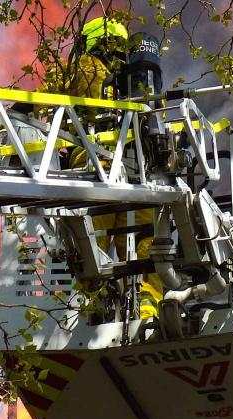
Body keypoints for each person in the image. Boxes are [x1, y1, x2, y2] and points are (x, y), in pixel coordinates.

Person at [46, 16, 163, 321]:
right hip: (136, 173)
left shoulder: (80, 67)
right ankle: (148, 307)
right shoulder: (135, 77)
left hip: (89, 173)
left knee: (88, 248)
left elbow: (39, 104)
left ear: (89, 39)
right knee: (144, 244)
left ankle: (94, 303)